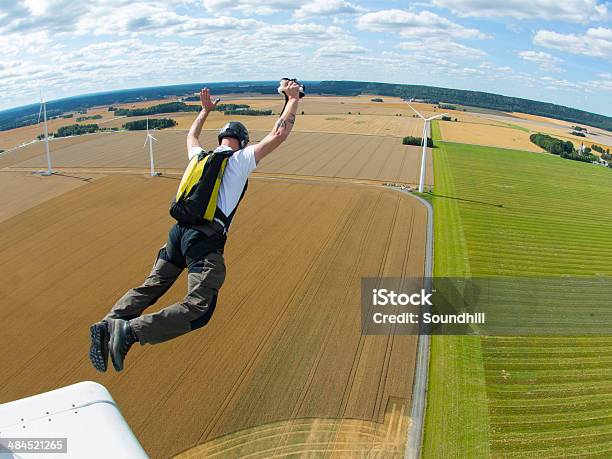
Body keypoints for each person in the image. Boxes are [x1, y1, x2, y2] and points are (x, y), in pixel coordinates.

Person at [89, 80, 302, 372]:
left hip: (177, 235)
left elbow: (191, 135)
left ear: (221, 138)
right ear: (242, 140)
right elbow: (280, 132)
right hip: (204, 241)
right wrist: (292, 98)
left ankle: (107, 324)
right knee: (199, 309)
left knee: (152, 286)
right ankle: (130, 332)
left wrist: (204, 111)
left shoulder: (198, 157)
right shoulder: (239, 161)